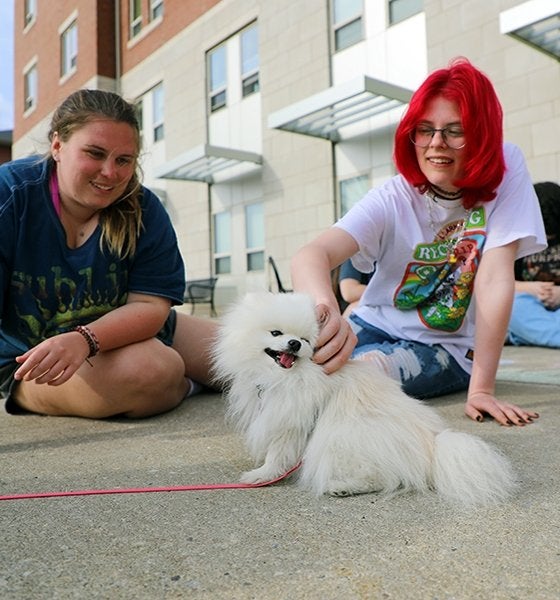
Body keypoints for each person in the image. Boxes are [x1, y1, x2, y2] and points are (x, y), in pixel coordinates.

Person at [291, 58, 546, 427]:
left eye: (454, 130)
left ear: (482, 135)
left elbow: (493, 278)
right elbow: (310, 256)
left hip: (445, 347)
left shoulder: (507, 168)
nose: (436, 144)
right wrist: (325, 315)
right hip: (371, 322)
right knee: (296, 367)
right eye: (424, 130)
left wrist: (482, 390)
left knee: (357, 378)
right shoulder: (393, 196)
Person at [0, 89, 217, 419]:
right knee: (151, 370)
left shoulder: (143, 206)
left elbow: (149, 305)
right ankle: (185, 384)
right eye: (95, 153)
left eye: (123, 160)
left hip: (127, 330)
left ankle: (182, 376)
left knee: (262, 356)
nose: (110, 173)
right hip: (36, 359)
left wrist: (84, 338)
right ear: (57, 146)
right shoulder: (10, 195)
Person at [508, 181, 560, 347]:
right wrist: (529, 288)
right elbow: (492, 281)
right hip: (528, 304)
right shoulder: (514, 238)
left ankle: (521, 335)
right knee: (513, 307)